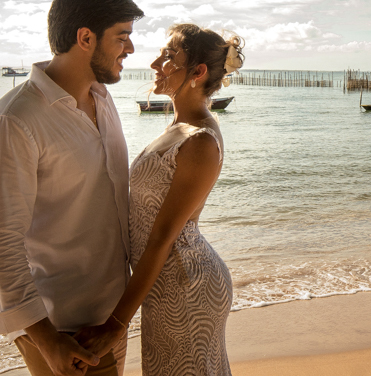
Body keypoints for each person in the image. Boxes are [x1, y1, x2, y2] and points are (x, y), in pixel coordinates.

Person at [0, 0, 144, 376]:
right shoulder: (13, 122)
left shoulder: (101, 97)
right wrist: (46, 340)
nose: (131, 49)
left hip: (109, 320)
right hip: (63, 331)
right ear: (86, 38)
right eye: (122, 38)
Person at [74, 24, 244, 376]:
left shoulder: (200, 141)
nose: (154, 63)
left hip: (185, 285)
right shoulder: (180, 127)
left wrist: (115, 324)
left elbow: (162, 238)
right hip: (167, 284)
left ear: (197, 72)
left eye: (168, 56)